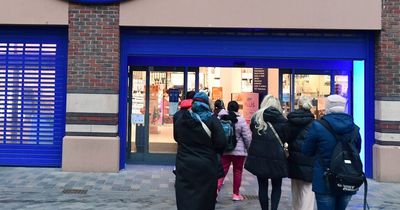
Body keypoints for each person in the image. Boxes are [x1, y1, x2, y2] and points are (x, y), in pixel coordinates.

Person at [302, 94, 361, 210]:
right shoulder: (354, 128)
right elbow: (357, 151)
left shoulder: (318, 126)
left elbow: (306, 151)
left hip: (324, 179)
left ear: (327, 107)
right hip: (347, 178)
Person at [173, 92, 226, 210]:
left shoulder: (181, 118)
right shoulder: (212, 120)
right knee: (205, 198)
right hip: (206, 166)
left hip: (184, 164)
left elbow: (176, 138)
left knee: (185, 197)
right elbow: (221, 142)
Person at [246, 95, 288, 210]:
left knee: (262, 186)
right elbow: (286, 137)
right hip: (277, 157)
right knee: (277, 186)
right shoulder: (282, 119)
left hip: (259, 157)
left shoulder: (256, 118)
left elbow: (253, 132)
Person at [217, 101, 252, 201]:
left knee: (222, 171)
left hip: (225, 150)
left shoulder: (221, 118)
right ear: (237, 109)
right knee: (237, 171)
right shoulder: (241, 120)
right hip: (239, 152)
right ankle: (236, 194)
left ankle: (215, 191)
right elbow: (247, 137)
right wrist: (249, 148)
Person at [287, 96, 316, 210]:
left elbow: (286, 137)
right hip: (309, 160)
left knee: (296, 188)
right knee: (308, 190)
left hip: (294, 159)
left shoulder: (291, 121)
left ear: (298, 105)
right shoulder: (314, 123)